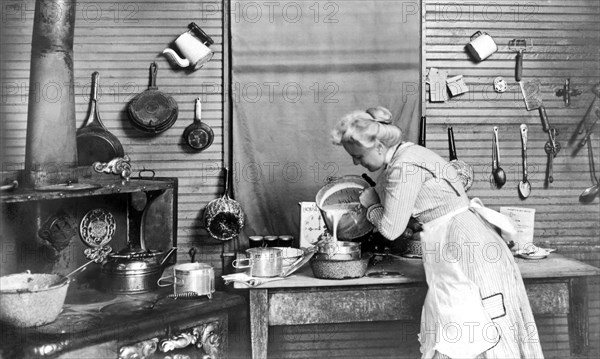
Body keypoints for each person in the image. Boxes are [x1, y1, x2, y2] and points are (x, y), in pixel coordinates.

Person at [331, 106, 544, 359]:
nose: (356, 162)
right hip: (467, 238)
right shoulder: (411, 153)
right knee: (482, 329)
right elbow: (427, 207)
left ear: (378, 148)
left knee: (475, 328)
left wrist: (371, 205)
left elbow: (390, 229)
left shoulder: (403, 167)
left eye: (358, 156)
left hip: (463, 248)